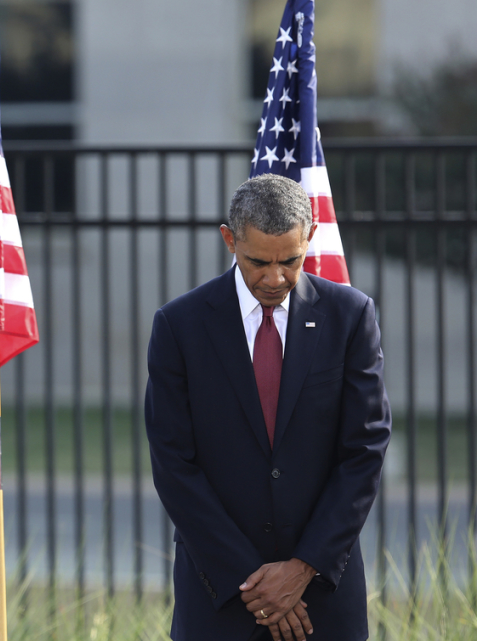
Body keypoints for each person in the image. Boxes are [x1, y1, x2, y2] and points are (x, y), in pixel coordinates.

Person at [144, 174, 391, 641]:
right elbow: (174, 464)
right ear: (229, 239)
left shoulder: (351, 316)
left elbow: (365, 449)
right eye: (258, 262)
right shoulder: (179, 326)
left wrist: (301, 569)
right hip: (218, 593)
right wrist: (256, 585)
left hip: (322, 595)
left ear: (310, 239)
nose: (275, 278)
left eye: (291, 261)